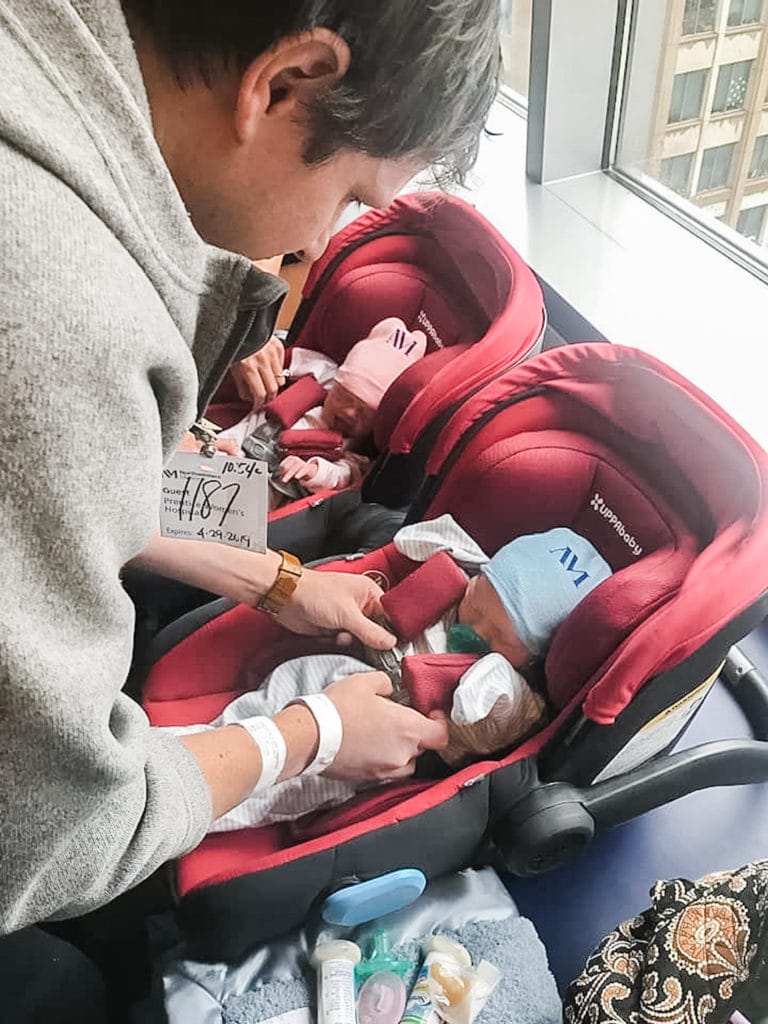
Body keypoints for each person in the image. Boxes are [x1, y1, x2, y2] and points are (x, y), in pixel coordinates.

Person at [0, 0, 501, 1013]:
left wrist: (279, 579)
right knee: (64, 986)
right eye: (351, 198)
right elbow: (51, 835)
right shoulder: (61, 310)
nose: (326, 239)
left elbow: (97, 480)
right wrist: (304, 736)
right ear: (283, 84)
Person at [171, 522, 613, 832]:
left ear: (533, 656)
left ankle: (207, 809)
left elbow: (501, 718)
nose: (472, 629)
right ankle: (198, 744)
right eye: (475, 607)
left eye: (499, 636)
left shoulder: (507, 685)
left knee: (296, 784)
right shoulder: (452, 591)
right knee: (265, 706)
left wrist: (493, 680)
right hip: (336, 672)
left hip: (379, 736)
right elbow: (415, 539)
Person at [217, 317, 427, 506]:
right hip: (236, 444)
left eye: (365, 413)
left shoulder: (353, 453)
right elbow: (288, 360)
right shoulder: (323, 375)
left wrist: (313, 471)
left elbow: (343, 476)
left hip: (266, 490)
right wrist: (275, 364)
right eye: (345, 396)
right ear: (336, 384)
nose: (350, 412)